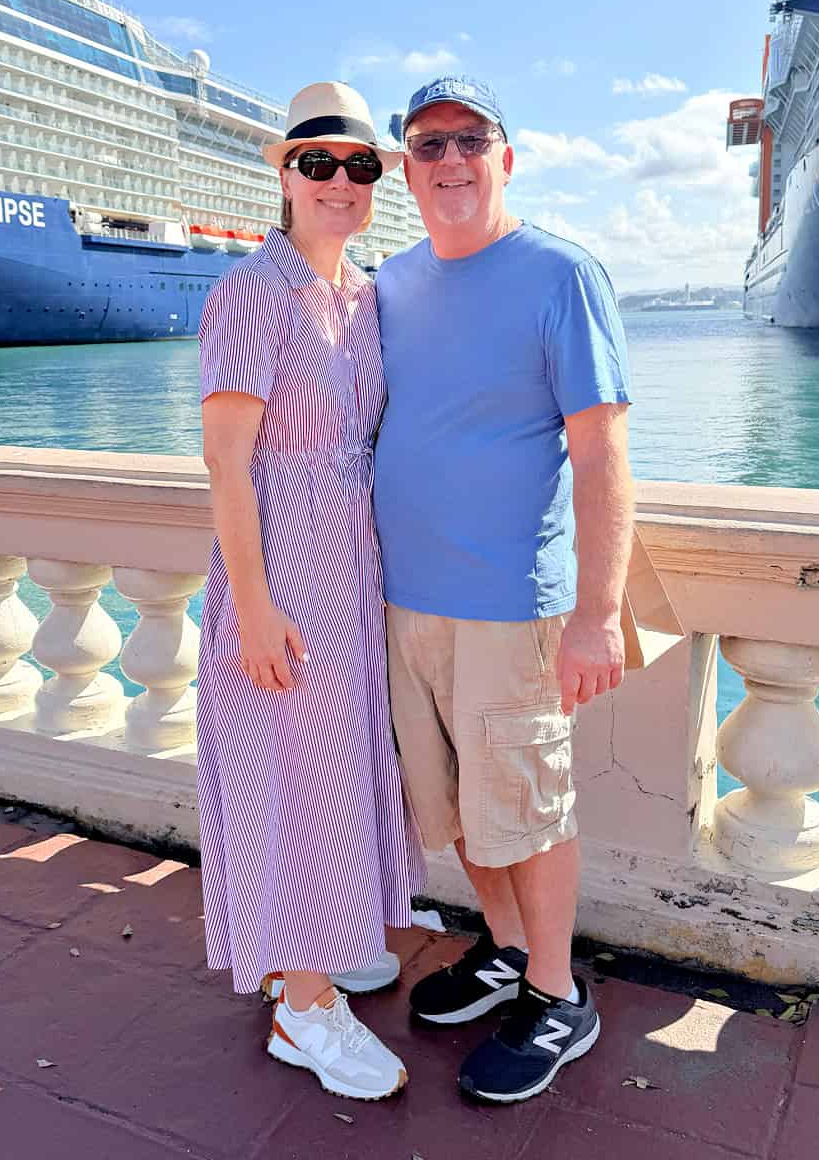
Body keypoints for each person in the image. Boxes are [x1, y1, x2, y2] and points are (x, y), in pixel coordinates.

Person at [373, 75, 634, 1104]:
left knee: (528, 803)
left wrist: (597, 615)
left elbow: (602, 454)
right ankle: (507, 947)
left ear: (506, 159)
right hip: (405, 600)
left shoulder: (562, 274)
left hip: (512, 604)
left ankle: (558, 995)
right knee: (455, 808)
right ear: (406, 171)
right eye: (428, 145)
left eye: (469, 140)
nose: (450, 160)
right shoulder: (392, 284)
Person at [195, 80, 423, 1102]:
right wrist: (252, 607)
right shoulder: (254, 292)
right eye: (317, 162)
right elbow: (226, 461)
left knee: (337, 763)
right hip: (283, 567)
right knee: (288, 772)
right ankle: (304, 1007)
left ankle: (323, 943)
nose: (340, 180)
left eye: (360, 164)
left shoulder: (364, 298)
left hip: (351, 567)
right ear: (284, 174)